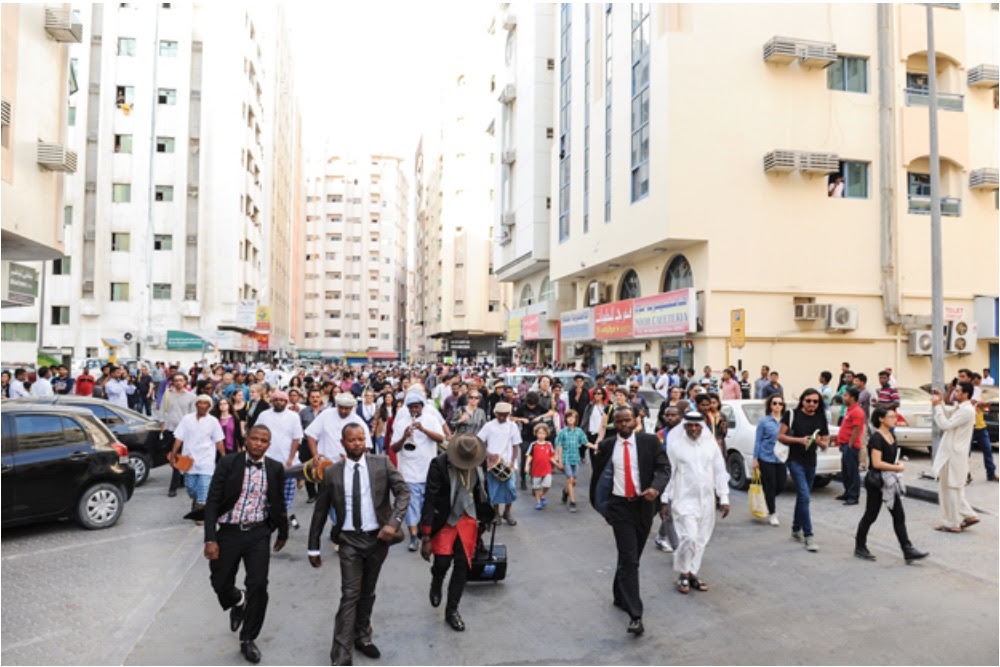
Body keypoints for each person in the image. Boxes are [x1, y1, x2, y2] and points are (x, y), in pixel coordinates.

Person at [307, 423, 410, 667]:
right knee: (350, 594)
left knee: (368, 591)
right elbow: (320, 512)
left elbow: (403, 492)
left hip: (377, 539)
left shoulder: (381, 463)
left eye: (361, 439)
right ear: (343, 443)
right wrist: (313, 547)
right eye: (352, 440)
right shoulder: (332, 472)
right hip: (349, 541)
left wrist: (393, 524)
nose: (357, 444)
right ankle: (342, 654)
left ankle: (362, 636)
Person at [202, 424, 289, 665]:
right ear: (246, 439)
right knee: (220, 581)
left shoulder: (275, 468)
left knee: (259, 585)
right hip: (228, 533)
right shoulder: (229, 463)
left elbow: (278, 502)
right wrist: (210, 538)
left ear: (268, 445)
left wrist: (283, 531)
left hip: (258, 533)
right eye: (254, 439)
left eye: (263, 441)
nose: (258, 444)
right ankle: (237, 600)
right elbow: (212, 501)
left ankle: (248, 638)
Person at [590, 406, 669, 636]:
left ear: (635, 421)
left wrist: (655, 489)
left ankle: (619, 595)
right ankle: (636, 615)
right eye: (619, 422)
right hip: (620, 507)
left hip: (644, 505)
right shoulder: (606, 447)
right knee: (630, 559)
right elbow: (599, 480)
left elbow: (664, 469)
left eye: (628, 421)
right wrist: (605, 510)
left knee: (631, 557)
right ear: (615, 424)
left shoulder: (650, 442)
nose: (624, 425)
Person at [419, 434, 493, 632]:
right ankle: (436, 582)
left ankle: (452, 611)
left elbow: (482, 490)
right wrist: (425, 536)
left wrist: (485, 520)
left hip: (468, 518)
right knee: (442, 562)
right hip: (445, 518)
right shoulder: (438, 464)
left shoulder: (479, 460)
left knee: (462, 566)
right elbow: (430, 498)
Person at [854, 408, 928, 564]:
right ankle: (860, 546)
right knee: (871, 514)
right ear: (881, 419)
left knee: (898, 515)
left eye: (895, 416)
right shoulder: (876, 438)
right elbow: (876, 463)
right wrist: (897, 468)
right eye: (891, 416)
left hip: (889, 480)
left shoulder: (891, 436)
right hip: (877, 481)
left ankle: (907, 549)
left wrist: (897, 464)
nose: (895, 419)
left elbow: (890, 458)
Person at [667, 411, 730, 595]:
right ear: (684, 426)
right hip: (684, 499)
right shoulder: (676, 446)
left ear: (702, 427)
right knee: (689, 537)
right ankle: (683, 572)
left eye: (697, 426)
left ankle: (691, 573)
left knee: (701, 539)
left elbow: (719, 471)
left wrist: (724, 498)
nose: (693, 429)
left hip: (707, 500)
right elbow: (669, 474)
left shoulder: (710, 446)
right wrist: (664, 500)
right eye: (690, 425)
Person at [390, 392, 446, 551]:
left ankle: (426, 531)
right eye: (411, 407)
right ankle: (413, 537)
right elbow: (394, 448)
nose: (414, 410)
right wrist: (404, 436)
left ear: (422, 406)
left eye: (417, 407)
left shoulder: (431, 420)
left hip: (429, 470)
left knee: (427, 505)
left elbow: (441, 439)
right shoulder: (401, 423)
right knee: (411, 506)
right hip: (409, 471)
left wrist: (423, 429)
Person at [778, 388, 829, 552]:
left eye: (815, 401)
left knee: (802, 497)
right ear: (802, 401)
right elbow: (781, 436)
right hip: (794, 461)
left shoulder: (821, 417)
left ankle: (795, 529)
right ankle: (809, 536)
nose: (812, 404)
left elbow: (825, 442)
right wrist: (799, 440)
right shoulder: (792, 414)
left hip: (811, 462)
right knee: (805, 497)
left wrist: (818, 441)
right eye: (808, 401)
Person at [930, 383, 979, 532]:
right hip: (952, 453)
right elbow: (950, 413)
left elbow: (945, 424)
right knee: (951, 487)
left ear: (965, 394)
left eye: (957, 391)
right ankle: (967, 515)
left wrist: (937, 406)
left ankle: (953, 523)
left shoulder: (967, 410)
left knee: (951, 487)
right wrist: (941, 402)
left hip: (954, 454)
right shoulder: (962, 408)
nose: (954, 393)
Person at [254, 391, 305, 530]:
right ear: (272, 401)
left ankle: (283, 516)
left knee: (287, 492)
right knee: (268, 490)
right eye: (275, 399)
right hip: (267, 460)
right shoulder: (264, 415)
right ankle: (268, 516)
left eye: (282, 400)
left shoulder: (293, 417)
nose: (279, 402)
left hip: (288, 462)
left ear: (286, 401)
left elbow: (296, 438)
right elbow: (256, 433)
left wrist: (290, 458)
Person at [169, 395, 225, 520]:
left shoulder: (213, 421)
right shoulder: (187, 419)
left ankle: (201, 514)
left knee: (204, 487)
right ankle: (197, 500)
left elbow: (219, 441)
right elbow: (179, 438)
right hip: (188, 459)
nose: (203, 406)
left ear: (209, 406)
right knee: (190, 488)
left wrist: (224, 457)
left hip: (206, 459)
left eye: (206, 404)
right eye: (200, 403)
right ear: (196, 404)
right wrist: (173, 454)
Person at [477, 401, 521, 526]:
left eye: (505, 415)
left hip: (507, 462)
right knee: (494, 490)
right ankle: (496, 513)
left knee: (510, 489)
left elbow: (516, 445)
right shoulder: (489, 426)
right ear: (495, 413)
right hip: (492, 464)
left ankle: (507, 512)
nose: (502, 417)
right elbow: (479, 441)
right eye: (500, 415)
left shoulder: (513, 426)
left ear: (508, 414)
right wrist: (488, 455)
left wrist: (513, 461)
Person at [306, 393, 371, 464]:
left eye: (346, 408)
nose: (343, 411)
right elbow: (311, 435)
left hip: (347, 464)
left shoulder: (358, 421)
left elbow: (366, 446)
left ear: (352, 408)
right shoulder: (325, 415)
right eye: (341, 407)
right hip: (324, 462)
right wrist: (315, 455)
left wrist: (352, 457)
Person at [753, 394, 787, 527]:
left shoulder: (786, 422)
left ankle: (768, 497)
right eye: (775, 403)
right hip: (766, 457)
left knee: (781, 485)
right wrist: (755, 458)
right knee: (771, 485)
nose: (777, 406)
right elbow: (758, 441)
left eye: (780, 403)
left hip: (781, 458)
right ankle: (772, 513)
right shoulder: (764, 421)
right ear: (770, 405)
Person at [654, 406, 682, 552]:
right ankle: (678, 550)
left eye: (674, 415)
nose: (670, 418)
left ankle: (660, 536)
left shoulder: (686, 434)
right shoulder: (659, 435)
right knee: (669, 512)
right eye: (668, 415)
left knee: (675, 512)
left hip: (682, 479)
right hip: (665, 478)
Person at [835, 387, 865, 506]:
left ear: (852, 398)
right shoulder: (850, 409)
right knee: (846, 471)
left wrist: (850, 444)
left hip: (851, 446)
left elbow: (856, 429)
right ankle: (847, 492)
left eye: (845, 395)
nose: (843, 397)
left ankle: (853, 496)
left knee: (852, 472)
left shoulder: (857, 411)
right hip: (845, 444)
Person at [555, 409, 587, 512]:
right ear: (566, 419)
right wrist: (559, 460)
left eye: (573, 417)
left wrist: (596, 447)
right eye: (569, 417)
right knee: (570, 479)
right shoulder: (563, 432)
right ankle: (572, 502)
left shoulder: (579, 431)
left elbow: (585, 442)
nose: (571, 419)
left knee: (574, 481)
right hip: (566, 458)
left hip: (575, 458)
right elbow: (559, 446)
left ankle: (565, 491)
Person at [969, 373, 998, 483]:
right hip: (970, 427)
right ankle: (965, 475)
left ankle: (991, 473)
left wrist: (984, 405)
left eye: (978, 383)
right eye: (975, 382)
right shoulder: (968, 392)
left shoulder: (979, 392)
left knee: (988, 450)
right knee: (966, 453)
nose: (977, 385)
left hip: (981, 426)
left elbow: (981, 408)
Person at [525, 423, 558, 510]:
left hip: (547, 468)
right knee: (536, 486)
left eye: (543, 433)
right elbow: (529, 456)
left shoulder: (549, 444)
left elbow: (551, 456)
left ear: (547, 434)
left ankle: (541, 495)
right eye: (539, 433)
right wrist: (527, 465)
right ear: (536, 434)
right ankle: (538, 502)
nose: (541, 435)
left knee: (547, 484)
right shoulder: (533, 444)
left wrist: (556, 464)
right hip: (536, 469)